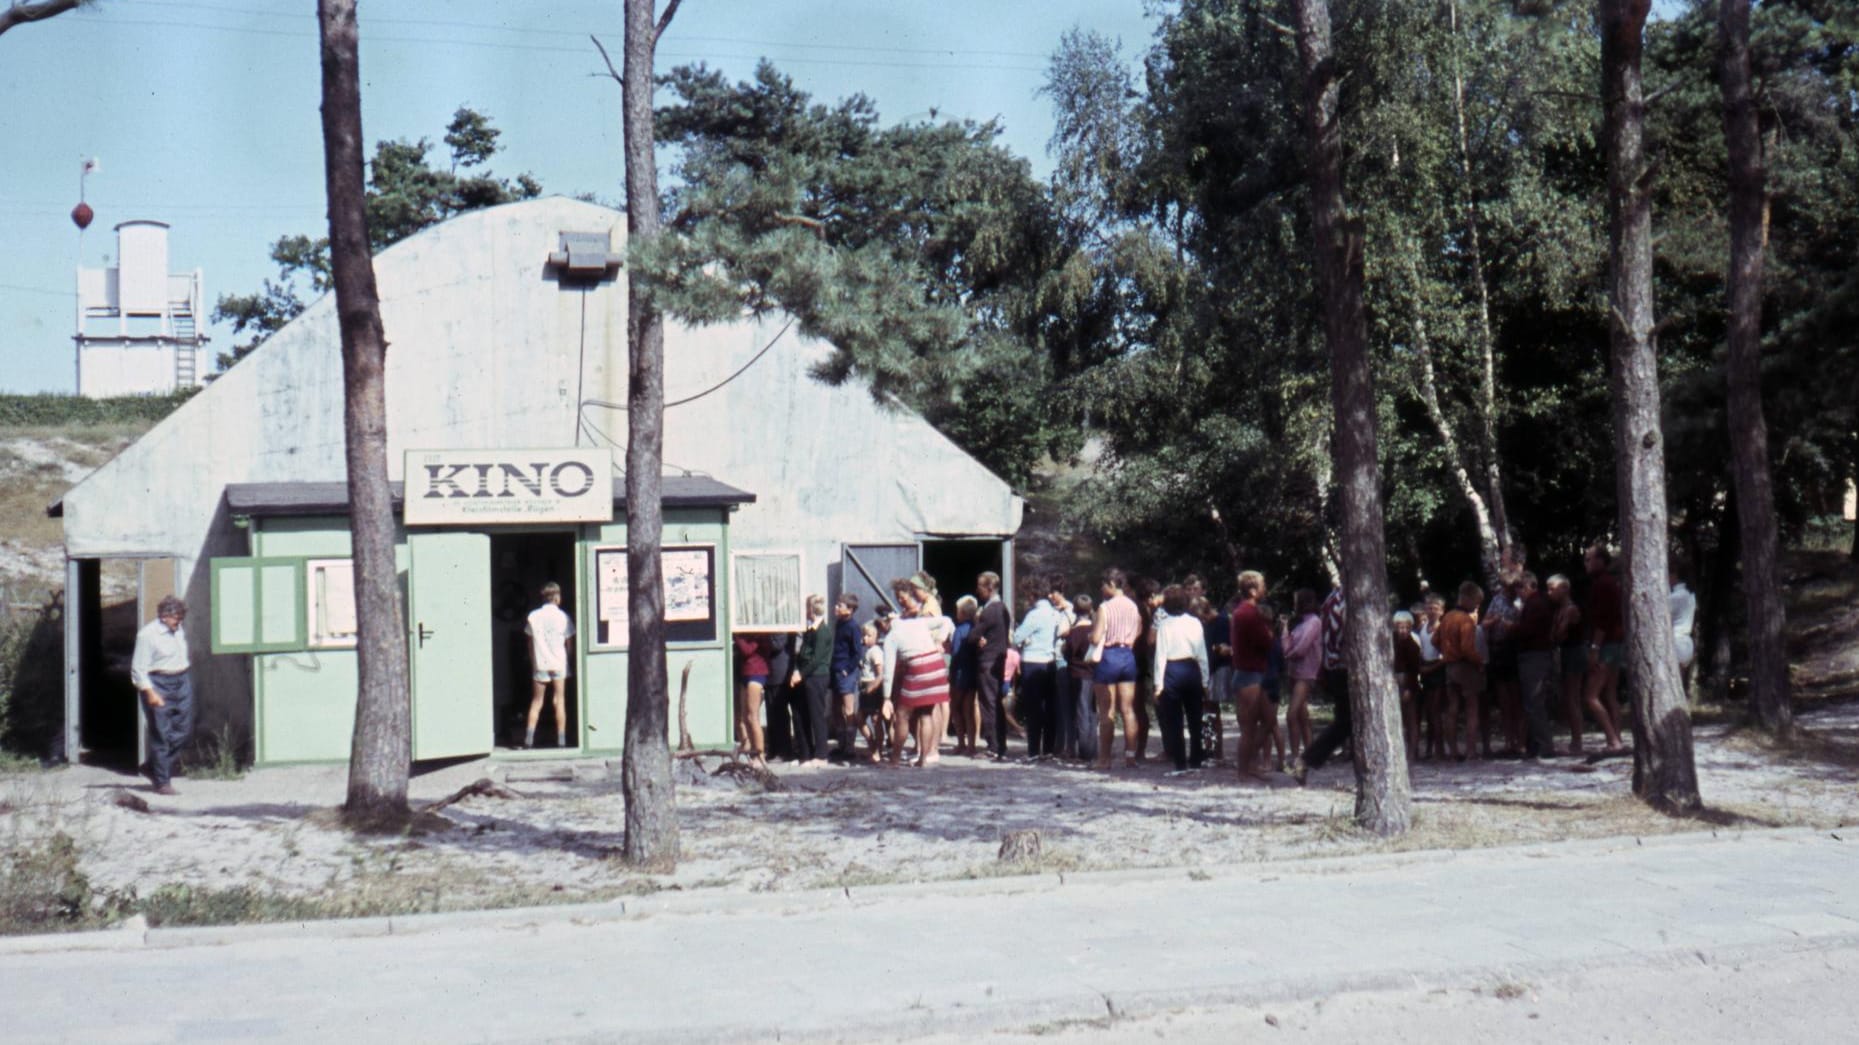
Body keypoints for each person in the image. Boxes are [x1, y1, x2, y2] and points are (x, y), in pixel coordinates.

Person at [881, 577, 954, 768]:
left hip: (918, 667)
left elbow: (888, 669)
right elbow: (947, 621)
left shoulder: (892, 636)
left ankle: (895, 759)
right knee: (926, 713)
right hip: (936, 666)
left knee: (903, 714)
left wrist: (887, 697)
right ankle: (923, 758)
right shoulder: (919, 623)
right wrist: (940, 640)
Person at [132, 595, 194, 795]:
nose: (180, 621)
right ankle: (162, 781)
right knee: (161, 733)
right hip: (158, 682)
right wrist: (150, 692)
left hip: (181, 679)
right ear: (165, 616)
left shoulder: (178, 630)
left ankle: (154, 765)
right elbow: (138, 669)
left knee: (184, 730)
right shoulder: (147, 635)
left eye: (181, 617)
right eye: (177, 617)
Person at [1290, 587, 1348, 785]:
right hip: (1343, 667)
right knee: (1346, 722)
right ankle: (1307, 759)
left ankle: (1307, 759)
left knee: (1346, 721)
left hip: (1334, 667)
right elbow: (1343, 637)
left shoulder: (1332, 598)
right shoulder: (1345, 600)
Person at [1152, 584, 1210, 772]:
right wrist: (1205, 680)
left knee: (1174, 720)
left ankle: (1179, 762)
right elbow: (1202, 654)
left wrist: (1158, 684)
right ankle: (1196, 759)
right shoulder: (1195, 623)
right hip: (1192, 670)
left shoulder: (1164, 625)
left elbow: (1160, 656)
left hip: (1172, 670)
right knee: (1195, 718)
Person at [1091, 568, 1143, 770]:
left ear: (1112, 584)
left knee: (1107, 711)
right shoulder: (1133, 606)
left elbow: (1096, 638)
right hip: (1127, 656)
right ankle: (1130, 756)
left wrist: (1090, 637)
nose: (1101, 588)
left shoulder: (1105, 607)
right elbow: (1138, 629)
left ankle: (1104, 759)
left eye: (1104, 584)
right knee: (1128, 709)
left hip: (1109, 656)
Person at [1013, 576, 1069, 759]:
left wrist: (1025, 639)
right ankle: (1049, 749)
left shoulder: (1034, 614)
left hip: (1033, 661)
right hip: (1050, 661)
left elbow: (1016, 638)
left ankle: (1033, 751)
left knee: (1034, 708)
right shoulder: (1055, 613)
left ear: (1032, 594)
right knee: (1049, 707)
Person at [1582, 544, 1628, 754]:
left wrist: (1594, 648)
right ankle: (1617, 738)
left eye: (1589, 559)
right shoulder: (1611, 583)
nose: (1586, 563)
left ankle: (1613, 740)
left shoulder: (1602, 585)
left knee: (1591, 696)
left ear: (1601, 561)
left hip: (1606, 645)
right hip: (1616, 643)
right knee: (1610, 693)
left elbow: (1602, 620)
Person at [1229, 570, 1274, 783]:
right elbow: (1266, 641)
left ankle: (1250, 763)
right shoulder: (1248, 613)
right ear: (1253, 590)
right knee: (1249, 726)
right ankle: (1243, 769)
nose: (1266, 589)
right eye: (1263, 585)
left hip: (1253, 673)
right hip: (1248, 675)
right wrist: (1270, 632)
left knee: (1268, 720)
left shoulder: (1245, 612)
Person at [1510, 571, 1560, 760]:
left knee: (1534, 703)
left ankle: (1545, 747)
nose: (1518, 593)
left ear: (1528, 586)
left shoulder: (1535, 604)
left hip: (1534, 656)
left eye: (1519, 588)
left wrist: (1511, 628)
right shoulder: (1533, 603)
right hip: (1533, 655)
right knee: (1531, 703)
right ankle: (1535, 745)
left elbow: (1528, 631)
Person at [524, 581, 576, 749]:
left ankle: (528, 739)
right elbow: (569, 644)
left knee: (537, 701)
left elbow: (530, 644)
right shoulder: (563, 617)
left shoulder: (533, 616)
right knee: (559, 700)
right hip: (559, 662)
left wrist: (533, 662)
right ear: (556, 597)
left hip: (540, 662)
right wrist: (568, 660)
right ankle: (561, 740)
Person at [1437, 581, 1485, 761]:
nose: (1477, 606)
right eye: (1476, 602)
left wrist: (1447, 650)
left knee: (1452, 708)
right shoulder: (1465, 620)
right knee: (1472, 708)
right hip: (1465, 666)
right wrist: (1480, 662)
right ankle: (1471, 751)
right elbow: (1467, 649)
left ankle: (1453, 752)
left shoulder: (1447, 617)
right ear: (1468, 599)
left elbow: (1435, 640)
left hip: (1449, 667)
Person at [970, 571, 1012, 760]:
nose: (977, 590)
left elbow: (972, 637)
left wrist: (977, 630)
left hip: (987, 661)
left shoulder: (988, 611)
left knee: (988, 704)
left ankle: (993, 746)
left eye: (980, 586)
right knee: (996, 703)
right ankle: (999, 744)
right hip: (998, 660)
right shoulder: (1003, 608)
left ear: (989, 587)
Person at [789, 594, 834, 766]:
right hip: (806, 676)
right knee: (802, 714)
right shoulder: (811, 630)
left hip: (817, 676)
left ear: (811, 609)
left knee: (817, 715)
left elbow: (816, 658)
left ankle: (821, 754)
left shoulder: (823, 631)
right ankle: (805, 754)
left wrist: (800, 674)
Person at [1281, 589, 1322, 764]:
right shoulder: (1298, 623)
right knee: (1302, 715)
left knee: (1292, 714)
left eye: (1296, 601)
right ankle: (1312, 754)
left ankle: (1295, 755)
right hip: (1294, 672)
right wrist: (1284, 628)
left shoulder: (1314, 622)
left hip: (1306, 672)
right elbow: (1286, 645)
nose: (1294, 604)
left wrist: (1289, 655)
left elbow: (1302, 647)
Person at [1549, 574, 1587, 754]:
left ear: (1564, 589)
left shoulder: (1570, 609)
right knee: (1569, 697)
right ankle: (1575, 739)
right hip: (1565, 652)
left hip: (1574, 652)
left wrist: (1556, 633)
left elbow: (1559, 634)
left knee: (1573, 697)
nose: (1549, 593)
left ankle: (1577, 741)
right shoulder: (1558, 610)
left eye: (1552, 589)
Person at [1062, 594, 1097, 761]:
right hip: (1094, 673)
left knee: (1081, 711)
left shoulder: (1073, 633)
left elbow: (1066, 654)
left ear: (1075, 610)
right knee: (1093, 711)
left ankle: (1084, 750)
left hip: (1077, 673)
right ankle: (1093, 748)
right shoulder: (1096, 630)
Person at [829, 592, 863, 761]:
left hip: (845, 673)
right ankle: (841, 744)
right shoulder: (839, 624)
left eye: (840, 605)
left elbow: (858, 653)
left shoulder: (853, 627)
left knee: (848, 709)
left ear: (849, 609)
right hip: (835, 670)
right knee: (836, 709)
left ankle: (850, 747)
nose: (836, 607)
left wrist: (847, 670)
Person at [1416, 593, 1448, 760]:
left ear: (1442, 611)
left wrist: (1431, 668)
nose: (1431, 611)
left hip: (1438, 670)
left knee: (1436, 712)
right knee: (1429, 712)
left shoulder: (1442, 629)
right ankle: (1429, 748)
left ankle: (1440, 750)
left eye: (1435, 608)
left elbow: (1446, 656)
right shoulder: (1422, 628)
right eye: (1428, 607)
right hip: (1425, 669)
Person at [949, 595, 981, 757]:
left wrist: (951, 675)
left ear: (962, 612)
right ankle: (972, 745)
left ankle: (961, 742)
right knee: (969, 710)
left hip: (960, 674)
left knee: (956, 708)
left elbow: (955, 654)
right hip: (973, 673)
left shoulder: (959, 630)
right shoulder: (976, 628)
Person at [1392, 610, 1422, 762]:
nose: (1402, 630)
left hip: (1408, 682)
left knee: (1411, 718)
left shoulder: (1412, 645)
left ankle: (1412, 752)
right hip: (1393, 681)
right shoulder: (1391, 642)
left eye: (1405, 627)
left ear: (1410, 627)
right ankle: (1399, 751)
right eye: (1399, 627)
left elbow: (1414, 670)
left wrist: (1409, 689)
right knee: (1397, 719)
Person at [856, 621, 887, 762]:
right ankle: (872, 744)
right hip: (864, 686)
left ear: (876, 636)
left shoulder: (876, 652)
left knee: (876, 720)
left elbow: (880, 674)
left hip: (873, 688)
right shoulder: (866, 651)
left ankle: (878, 750)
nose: (865, 638)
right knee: (860, 719)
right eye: (863, 635)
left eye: (868, 635)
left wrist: (872, 687)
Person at [1670, 557, 1698, 694]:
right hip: (1686, 643)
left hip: (1675, 642)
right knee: (1678, 686)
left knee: (1672, 688)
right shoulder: (1690, 594)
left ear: (1675, 575)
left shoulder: (1676, 597)